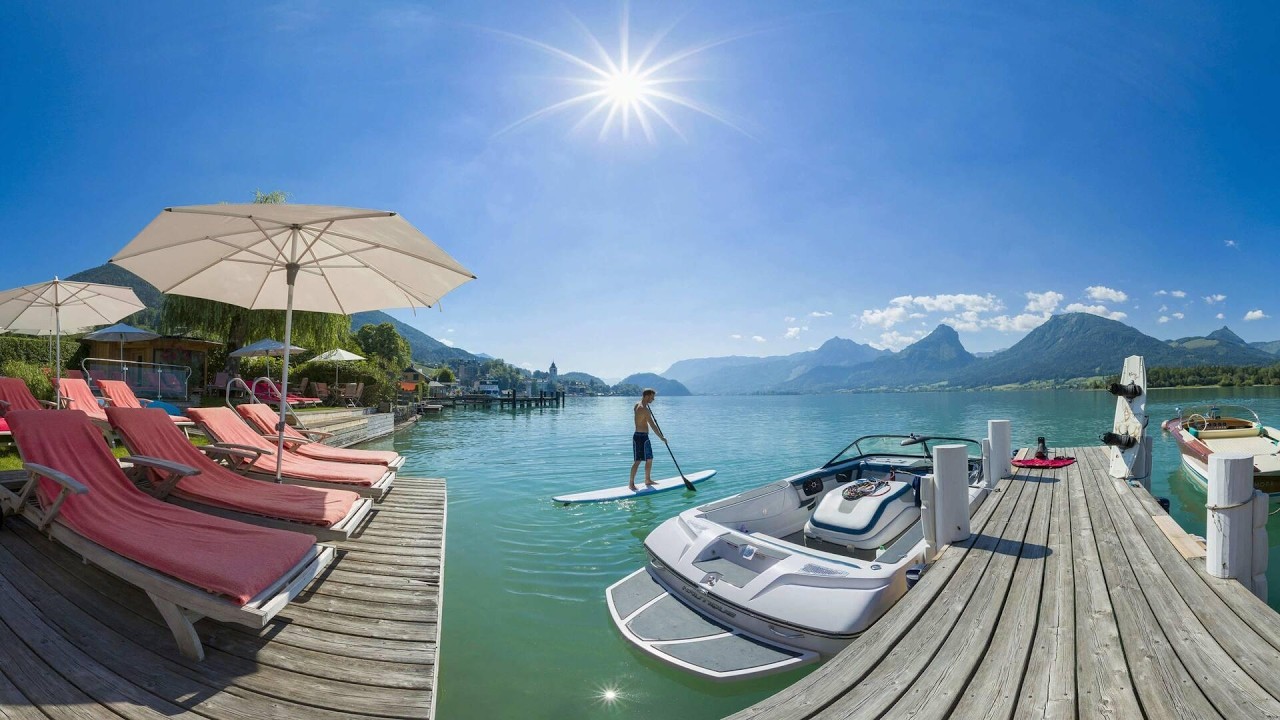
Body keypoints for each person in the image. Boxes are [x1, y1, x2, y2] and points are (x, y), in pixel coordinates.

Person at [629, 388, 664, 491]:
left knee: (649, 458)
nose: (653, 399)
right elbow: (652, 425)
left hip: (641, 436)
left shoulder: (637, 405)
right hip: (641, 437)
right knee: (638, 461)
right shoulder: (644, 409)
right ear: (647, 396)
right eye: (652, 397)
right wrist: (662, 437)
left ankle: (647, 480)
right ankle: (631, 484)